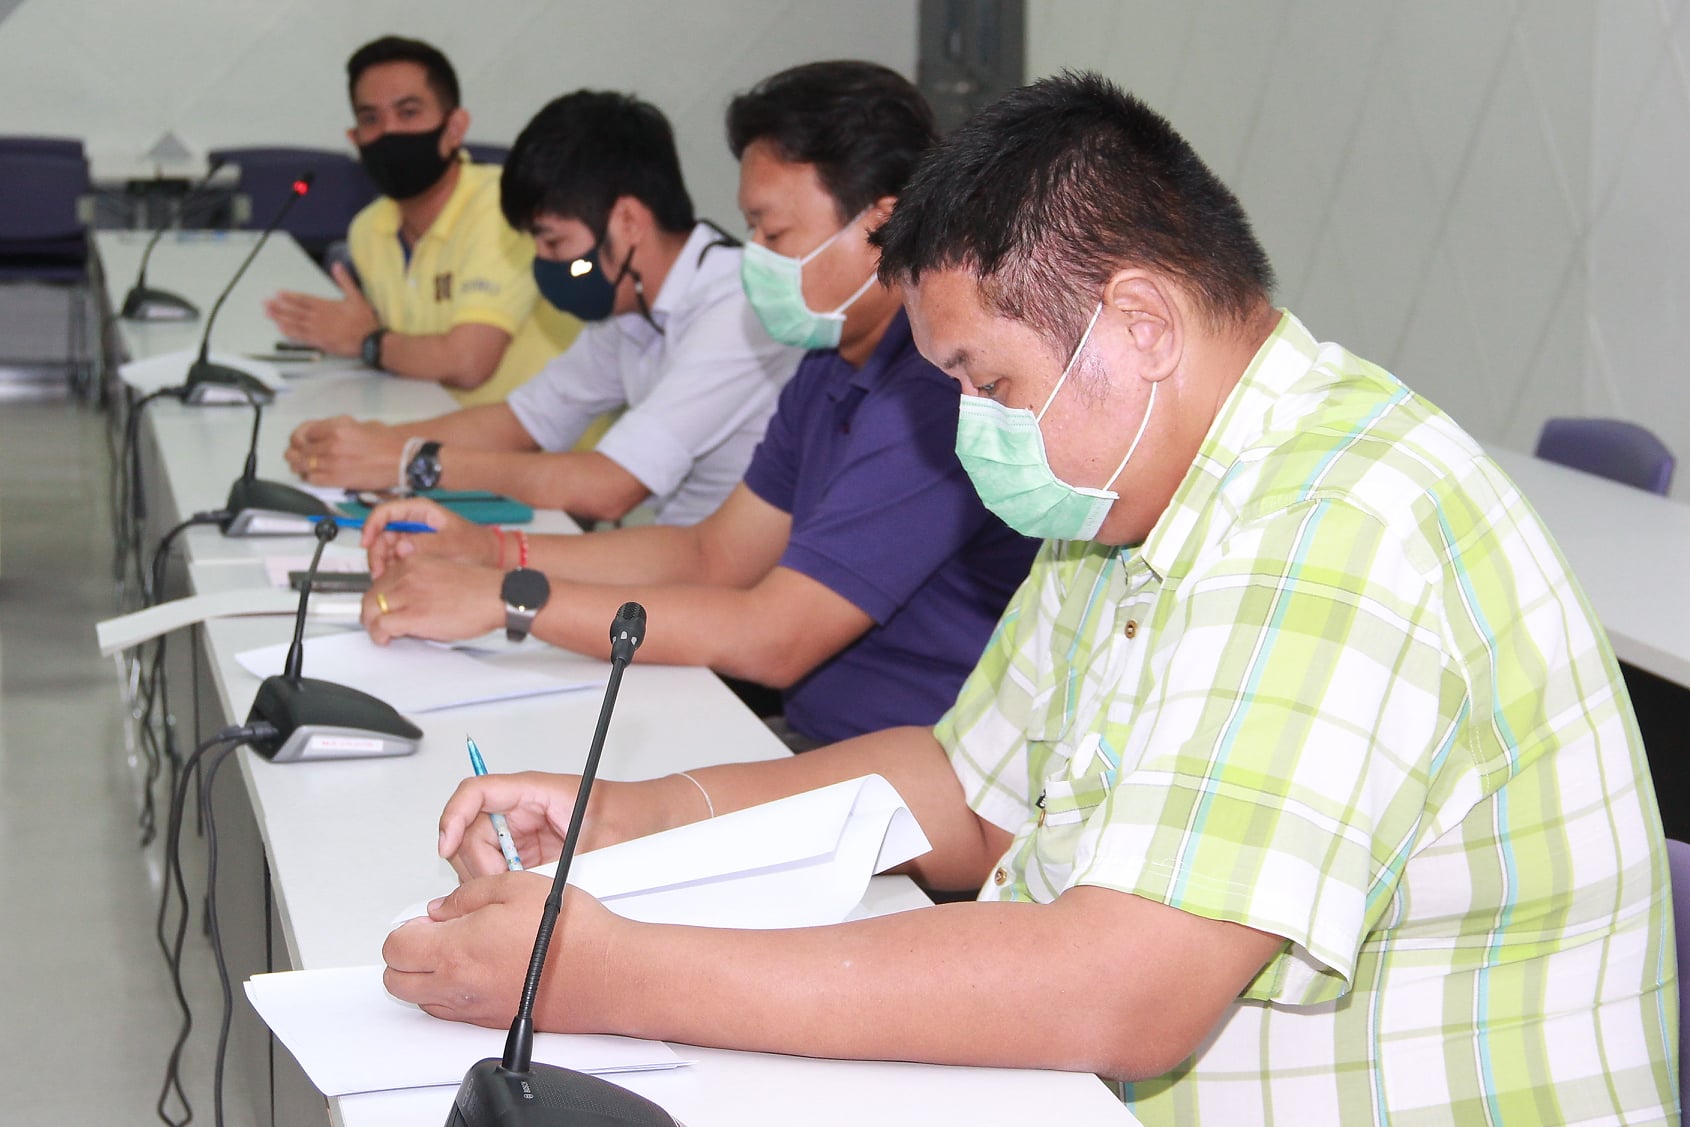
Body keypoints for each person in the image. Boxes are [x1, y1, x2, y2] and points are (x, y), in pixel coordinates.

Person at [382, 72, 1677, 1125]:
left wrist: (609, 971)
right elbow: (965, 789)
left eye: (988, 383)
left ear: (1140, 325)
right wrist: (638, 814)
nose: (970, 427)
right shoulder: (1124, 494)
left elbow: (1123, 986)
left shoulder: (1335, 525)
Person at [357, 61, 1039, 748]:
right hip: (818, 738)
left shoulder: (932, 394)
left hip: (909, 768)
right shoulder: (831, 364)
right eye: (751, 231)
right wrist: (492, 551)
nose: (755, 257)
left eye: (774, 234)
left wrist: (509, 598)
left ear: (881, 228)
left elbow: (774, 636)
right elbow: (711, 553)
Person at [284, 89, 801, 527]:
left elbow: (606, 487)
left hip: (733, 586)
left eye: (554, 242)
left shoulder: (737, 308)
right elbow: (524, 421)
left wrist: (410, 461)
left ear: (628, 221)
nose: (546, 263)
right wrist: (366, 442)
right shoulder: (632, 305)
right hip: (673, 555)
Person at [264, 36, 573, 407]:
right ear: (355, 139)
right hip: (435, 425)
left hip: (541, 438)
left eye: (408, 113)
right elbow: (405, 354)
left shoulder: (503, 207)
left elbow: (468, 362)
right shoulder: (368, 229)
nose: (389, 132)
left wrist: (367, 342)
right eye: (370, 119)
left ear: (454, 128)